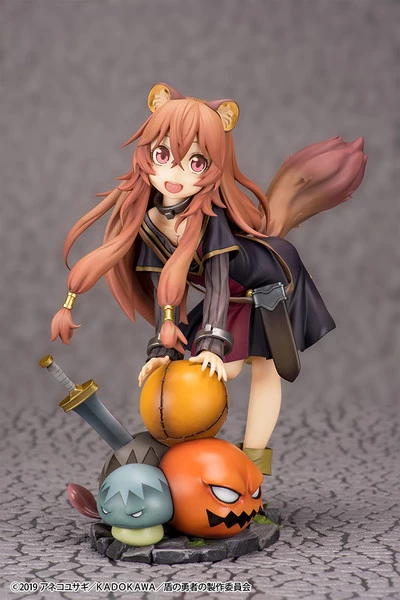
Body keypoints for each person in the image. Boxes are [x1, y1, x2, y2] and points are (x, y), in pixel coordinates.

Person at [51, 83, 367, 473]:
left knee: (257, 368)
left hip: (271, 281)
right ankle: (231, 466)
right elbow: (166, 291)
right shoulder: (151, 222)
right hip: (234, 292)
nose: (175, 173)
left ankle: (252, 470)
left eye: (196, 163)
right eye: (163, 155)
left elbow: (217, 281)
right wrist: (162, 349)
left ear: (214, 166)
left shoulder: (208, 218)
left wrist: (213, 346)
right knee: (215, 364)